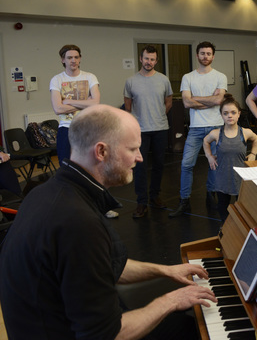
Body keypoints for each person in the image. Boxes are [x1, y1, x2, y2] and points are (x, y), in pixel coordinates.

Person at [0, 104, 216, 340]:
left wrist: (166, 270)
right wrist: (171, 300)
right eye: (133, 148)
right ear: (101, 151)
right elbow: (107, 334)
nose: (140, 157)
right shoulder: (77, 223)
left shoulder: (48, 192)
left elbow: (108, 264)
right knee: (193, 326)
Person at [50, 44, 117, 218]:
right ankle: (69, 207)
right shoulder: (56, 80)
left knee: (94, 167)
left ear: (80, 58)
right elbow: (57, 108)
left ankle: (101, 206)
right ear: (63, 60)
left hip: (88, 128)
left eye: (76, 57)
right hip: (66, 128)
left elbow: (95, 103)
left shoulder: (90, 77)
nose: (73, 60)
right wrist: (84, 101)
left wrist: (68, 102)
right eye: (69, 57)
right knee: (66, 169)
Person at [170, 41, 227, 217]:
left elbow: (219, 101)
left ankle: (210, 195)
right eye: (202, 53)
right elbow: (186, 102)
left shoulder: (220, 76)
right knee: (187, 164)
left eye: (208, 54)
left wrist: (197, 99)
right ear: (197, 55)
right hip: (195, 129)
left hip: (216, 127)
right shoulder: (188, 77)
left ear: (213, 56)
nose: (205, 57)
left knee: (214, 164)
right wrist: (209, 100)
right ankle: (184, 200)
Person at [124, 45, 173, 218]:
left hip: (160, 128)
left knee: (159, 165)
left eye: (152, 59)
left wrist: (158, 116)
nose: (149, 62)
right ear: (140, 58)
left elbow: (168, 102)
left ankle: (155, 196)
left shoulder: (163, 80)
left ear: (156, 61)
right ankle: (141, 202)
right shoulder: (131, 81)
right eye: (146, 58)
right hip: (140, 131)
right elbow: (128, 106)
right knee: (140, 167)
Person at [203, 94, 257, 222]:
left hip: (240, 178)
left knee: (242, 209)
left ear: (239, 114)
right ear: (221, 115)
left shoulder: (245, 132)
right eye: (226, 113)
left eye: (233, 112)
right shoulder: (217, 133)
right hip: (222, 179)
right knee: (223, 209)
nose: (230, 116)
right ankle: (226, 230)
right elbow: (205, 141)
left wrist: (253, 154)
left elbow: (255, 139)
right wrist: (209, 156)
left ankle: (241, 230)